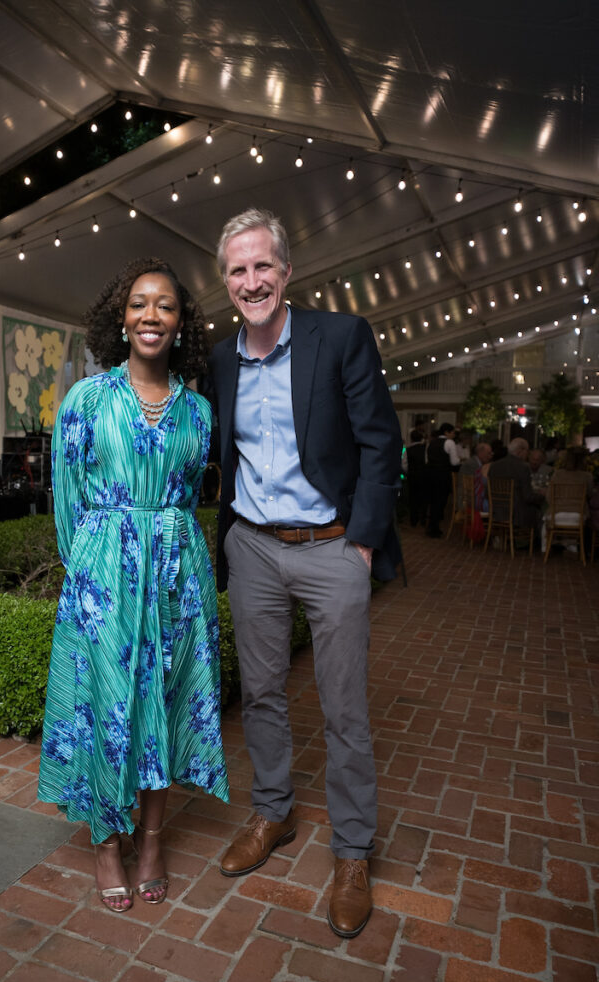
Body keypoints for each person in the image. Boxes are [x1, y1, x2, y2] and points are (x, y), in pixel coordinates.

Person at [207, 208, 402, 939]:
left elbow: (381, 444)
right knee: (259, 692)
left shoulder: (340, 337)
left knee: (344, 706)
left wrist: (362, 543)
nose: (251, 281)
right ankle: (274, 812)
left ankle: (352, 852)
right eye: (237, 270)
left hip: (331, 546)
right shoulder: (221, 358)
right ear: (225, 282)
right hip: (252, 546)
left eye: (262, 266)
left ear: (286, 273)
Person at [38, 257, 229, 914]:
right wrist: (91, 581)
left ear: (181, 324)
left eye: (166, 306)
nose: (152, 315)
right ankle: (105, 843)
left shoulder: (200, 411)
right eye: (140, 304)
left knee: (160, 710)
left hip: (176, 580)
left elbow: (191, 502)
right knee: (103, 712)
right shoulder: (86, 401)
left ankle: (151, 841)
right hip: (104, 581)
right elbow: (67, 505)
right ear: (120, 318)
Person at [487, 437, 544, 530]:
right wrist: (542, 495)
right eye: (527, 451)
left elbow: (487, 493)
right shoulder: (523, 467)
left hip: (496, 512)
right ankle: (534, 543)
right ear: (520, 451)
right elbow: (527, 497)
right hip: (516, 515)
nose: (528, 454)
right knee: (539, 512)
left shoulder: (494, 466)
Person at [425, 423, 460, 537]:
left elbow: (427, 460)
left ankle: (431, 526)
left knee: (433, 502)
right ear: (446, 432)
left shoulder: (431, 442)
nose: (454, 434)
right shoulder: (449, 442)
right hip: (443, 476)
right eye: (453, 432)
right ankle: (434, 528)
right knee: (440, 502)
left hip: (430, 475)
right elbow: (454, 462)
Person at [402, 428, 428, 526]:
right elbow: (426, 461)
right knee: (423, 498)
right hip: (423, 476)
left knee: (413, 498)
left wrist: (409, 472)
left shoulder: (407, 450)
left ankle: (413, 520)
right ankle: (423, 520)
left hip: (412, 476)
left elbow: (404, 465)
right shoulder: (425, 448)